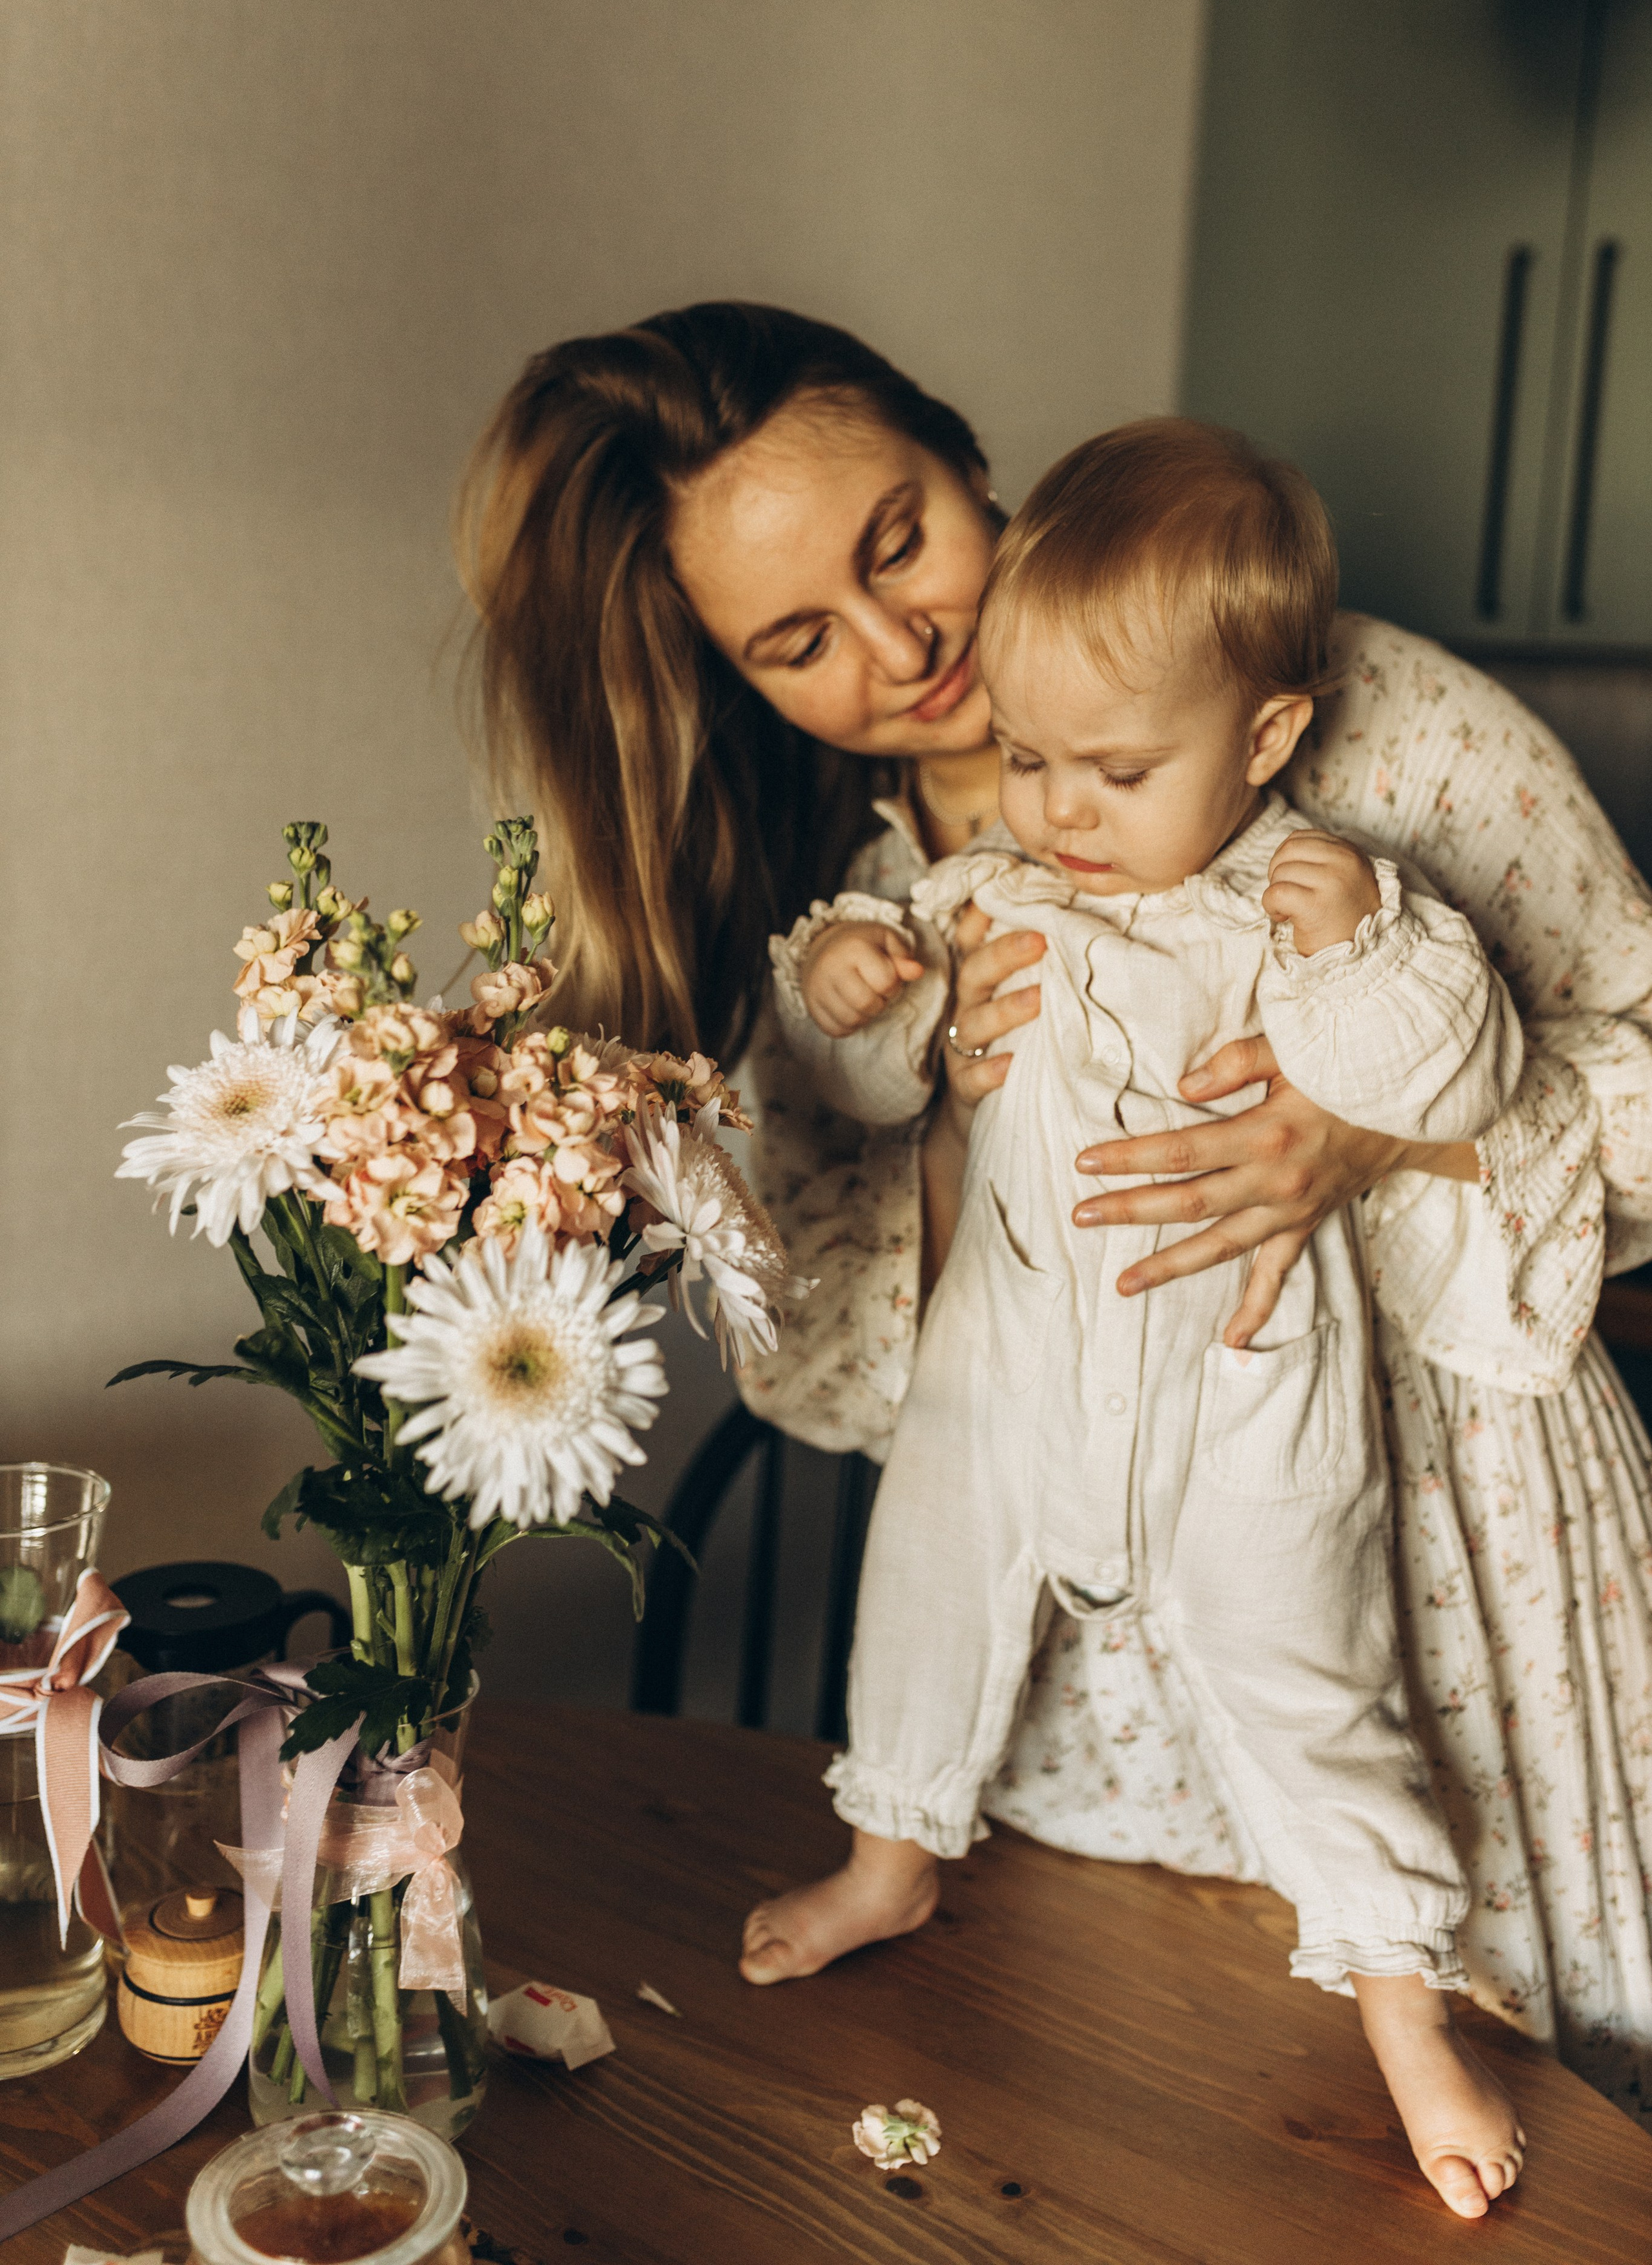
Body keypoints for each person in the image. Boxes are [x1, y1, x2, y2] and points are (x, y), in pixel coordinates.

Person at [459, 301, 1652, 2127]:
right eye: (801, 641)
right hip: (1104, 1646)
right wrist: (942, 1122)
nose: (905, 642)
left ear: (966, 455)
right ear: (741, 684)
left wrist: (1370, 1133)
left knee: (1542, 2142)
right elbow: (853, 1344)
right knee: (1157, 2128)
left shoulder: (1374, 716)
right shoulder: (876, 902)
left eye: (902, 539)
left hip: (1461, 1563)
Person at [770, 418, 1529, 2216]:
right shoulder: (987, 897)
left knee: (1310, 1689)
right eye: (1026, 761)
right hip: (1009, 1368)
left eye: (1112, 769)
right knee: (926, 1594)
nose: (1062, 811)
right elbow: (856, 1079)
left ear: (1267, 739)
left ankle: (1406, 2005)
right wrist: (850, 982)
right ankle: (891, 1851)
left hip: (1250, 1395)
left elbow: (1467, 1069)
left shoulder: (1308, 902)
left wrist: (1363, 954)